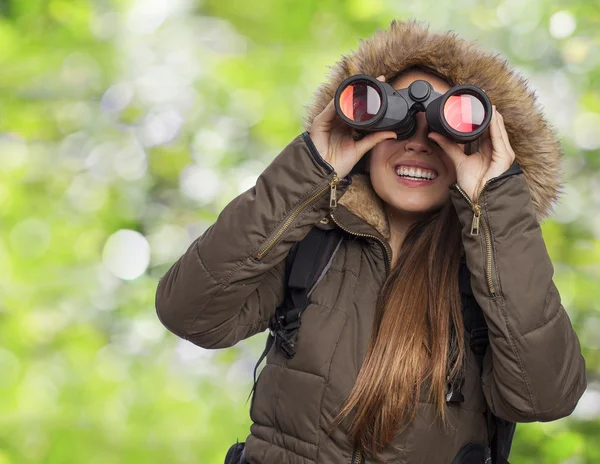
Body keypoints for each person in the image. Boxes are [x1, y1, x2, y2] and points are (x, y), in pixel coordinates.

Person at [155, 19, 587, 463]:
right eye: (397, 122)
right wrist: (311, 168)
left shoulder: (494, 269)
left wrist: (497, 201)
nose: (417, 144)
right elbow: (188, 312)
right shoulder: (311, 242)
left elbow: (545, 397)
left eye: (444, 127)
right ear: (362, 130)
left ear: (481, 142)